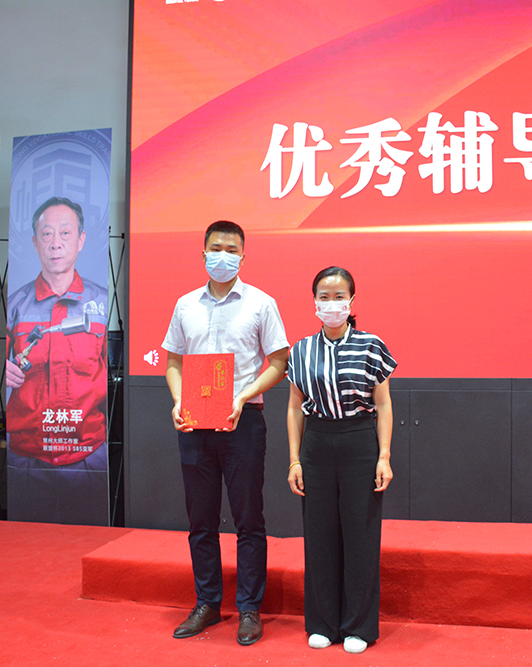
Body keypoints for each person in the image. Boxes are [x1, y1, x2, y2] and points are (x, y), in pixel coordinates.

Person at [162, 220, 289, 646]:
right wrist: (178, 401)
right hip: (194, 423)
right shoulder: (185, 305)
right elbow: (174, 362)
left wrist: (242, 396)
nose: (223, 256)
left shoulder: (261, 303)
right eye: (216, 248)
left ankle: (249, 608)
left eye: (231, 250)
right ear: (203, 253)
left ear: (243, 256)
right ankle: (207, 603)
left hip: (243, 422)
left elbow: (279, 362)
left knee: (248, 519)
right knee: (200, 519)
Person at [286, 266, 396, 654]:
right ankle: (322, 623)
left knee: (360, 534)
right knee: (319, 535)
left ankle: (358, 627)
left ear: (351, 301)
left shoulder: (371, 346)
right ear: (314, 301)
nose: (331, 304)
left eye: (338, 297)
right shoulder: (300, 350)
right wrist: (294, 460)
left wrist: (384, 456)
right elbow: (294, 407)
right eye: (324, 297)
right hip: (316, 444)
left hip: (359, 441)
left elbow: (383, 405)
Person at [5, 196, 109, 525]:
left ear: (81, 240)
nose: (55, 243)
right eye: (46, 234)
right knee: (27, 547)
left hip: (88, 456)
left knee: (90, 546)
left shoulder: (104, 304)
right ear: (35, 242)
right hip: (27, 459)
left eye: (65, 233)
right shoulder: (13, 306)